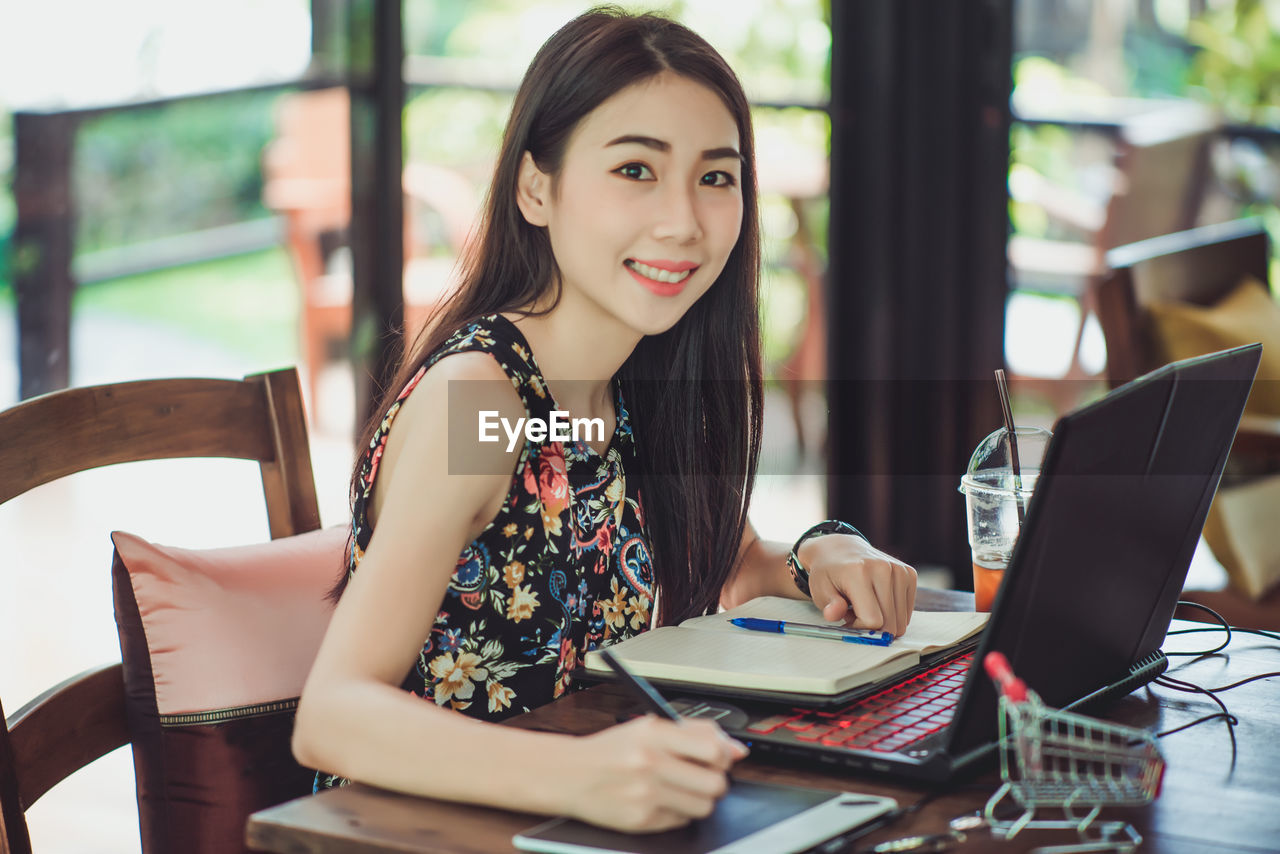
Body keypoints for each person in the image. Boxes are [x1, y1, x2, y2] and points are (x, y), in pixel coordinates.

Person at [292, 6, 917, 833]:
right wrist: (581, 775)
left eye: (716, 177)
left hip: (571, 820)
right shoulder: (481, 400)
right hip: (425, 833)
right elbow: (331, 714)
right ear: (535, 188)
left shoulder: (632, 382)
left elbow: (735, 562)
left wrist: (822, 551)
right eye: (635, 171)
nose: (683, 222)